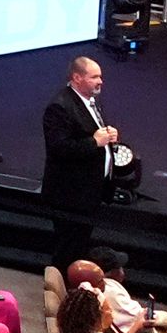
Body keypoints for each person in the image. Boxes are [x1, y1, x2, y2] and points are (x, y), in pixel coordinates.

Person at [41, 56, 123, 262]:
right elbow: (59, 149)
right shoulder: (60, 107)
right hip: (70, 195)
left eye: (101, 76)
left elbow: (92, 132)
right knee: (67, 248)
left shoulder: (90, 101)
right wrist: (95, 142)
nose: (100, 81)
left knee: (79, 247)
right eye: (94, 77)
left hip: (89, 193)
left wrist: (107, 135)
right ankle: (60, 290)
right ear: (77, 78)